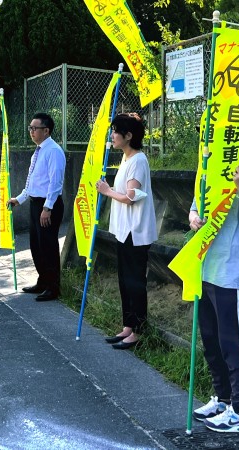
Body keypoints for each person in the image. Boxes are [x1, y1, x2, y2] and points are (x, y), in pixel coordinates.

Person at [189, 152, 239, 433]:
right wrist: (194, 218)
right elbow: (194, 208)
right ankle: (222, 400)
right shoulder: (207, 169)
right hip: (205, 268)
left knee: (232, 341)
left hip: (230, 270)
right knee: (211, 340)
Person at [95, 113, 158, 350]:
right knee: (124, 280)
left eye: (115, 131)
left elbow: (131, 197)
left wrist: (107, 191)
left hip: (135, 231)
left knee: (134, 282)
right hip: (124, 231)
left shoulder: (138, 160)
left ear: (128, 136)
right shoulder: (126, 158)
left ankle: (139, 330)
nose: (112, 135)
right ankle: (128, 326)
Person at [7, 112, 66, 302]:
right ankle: (43, 281)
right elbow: (33, 180)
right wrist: (20, 198)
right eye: (30, 128)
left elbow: (55, 183)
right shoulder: (39, 150)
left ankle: (53, 287)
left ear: (46, 130)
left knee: (48, 246)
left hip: (48, 205)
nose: (31, 132)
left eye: (35, 128)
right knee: (36, 246)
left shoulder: (54, 151)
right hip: (36, 204)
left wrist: (47, 208)